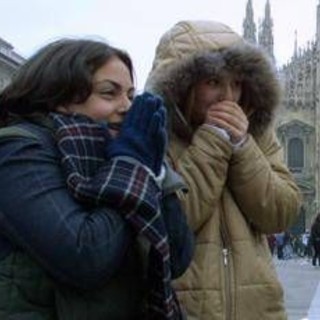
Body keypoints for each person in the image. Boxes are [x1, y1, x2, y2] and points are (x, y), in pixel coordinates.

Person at [0, 38, 194, 319]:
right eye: (109, 93)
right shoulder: (17, 150)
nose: (127, 106)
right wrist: (133, 165)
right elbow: (85, 258)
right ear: (59, 96)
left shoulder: (114, 152)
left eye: (130, 94)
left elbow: (176, 257)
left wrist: (156, 172)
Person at [145, 20, 301, 320]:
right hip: (185, 310)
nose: (229, 97)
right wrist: (215, 140)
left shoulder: (256, 133)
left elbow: (282, 213)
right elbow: (171, 223)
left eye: (237, 83)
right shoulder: (153, 135)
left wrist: (244, 146)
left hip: (258, 310)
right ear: (182, 84)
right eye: (214, 82)